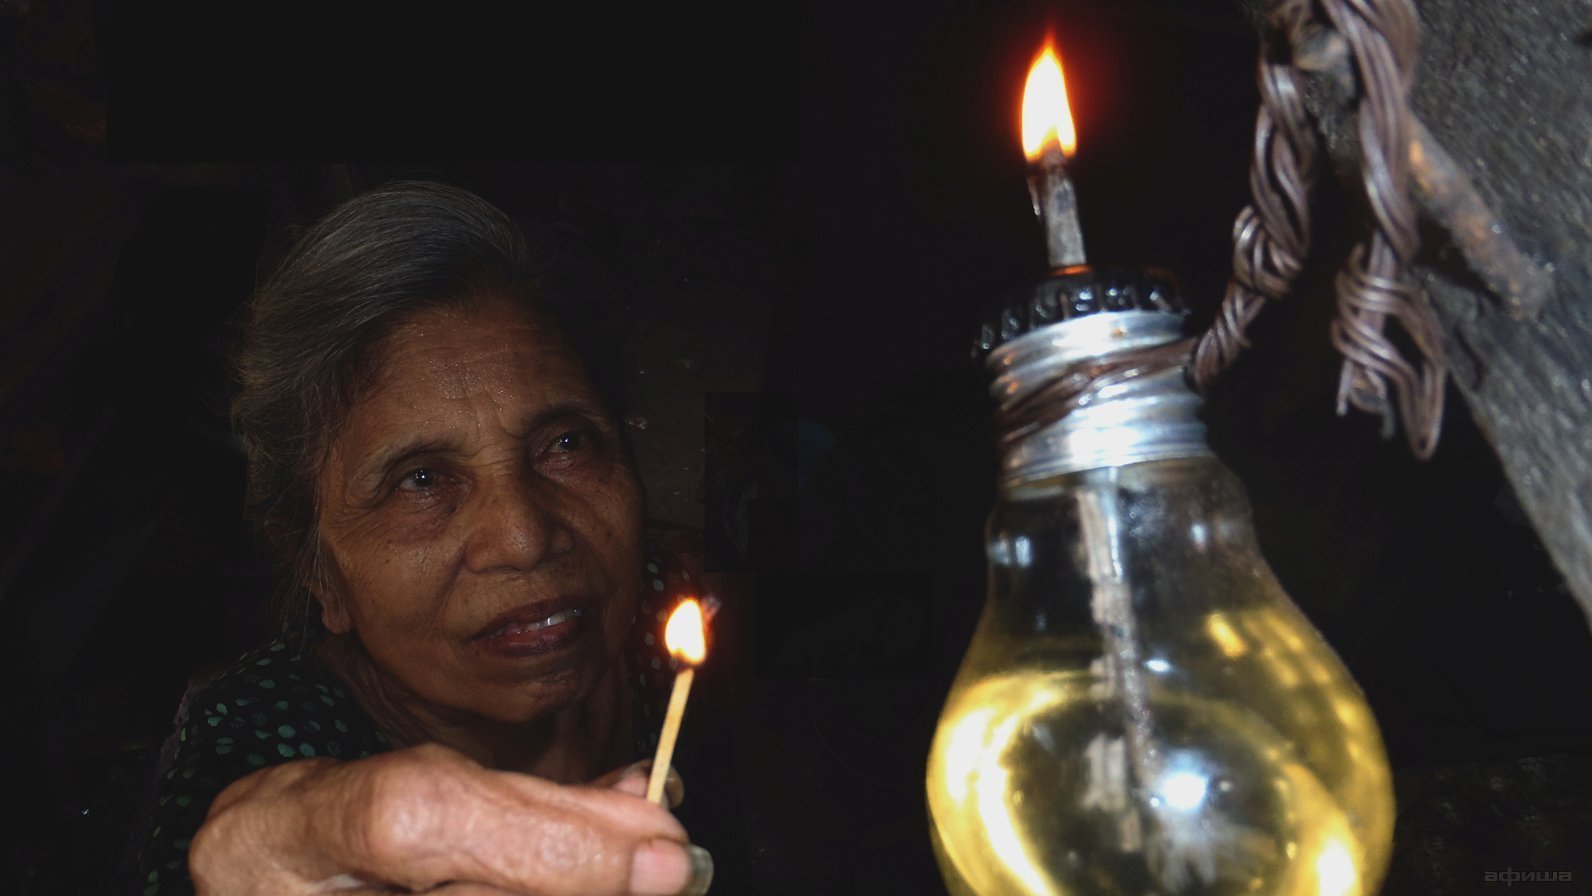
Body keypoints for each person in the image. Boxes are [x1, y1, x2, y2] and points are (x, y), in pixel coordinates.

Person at [131, 181, 713, 895]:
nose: (525, 539)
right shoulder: (249, 741)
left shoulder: (667, 605)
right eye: (422, 481)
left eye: (565, 442)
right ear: (318, 572)